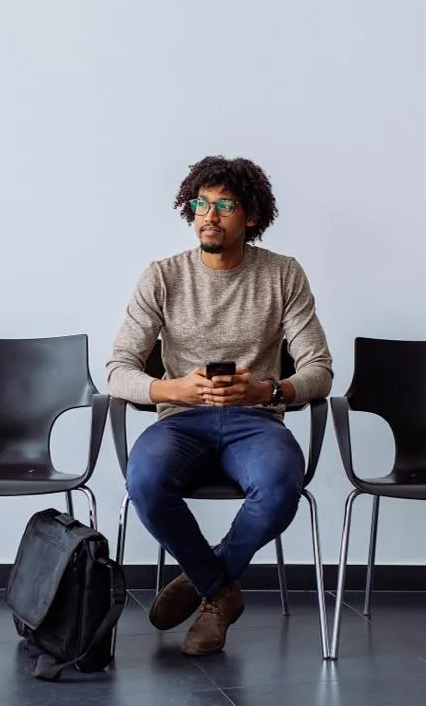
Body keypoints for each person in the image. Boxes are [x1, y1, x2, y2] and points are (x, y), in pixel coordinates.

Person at [105, 155, 333, 657]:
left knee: (279, 484)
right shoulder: (162, 277)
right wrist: (173, 390)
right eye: (200, 204)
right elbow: (117, 370)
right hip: (181, 421)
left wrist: (268, 391)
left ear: (250, 216)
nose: (209, 215)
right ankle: (220, 590)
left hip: (255, 421)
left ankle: (201, 582)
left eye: (224, 205)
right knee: (144, 480)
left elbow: (319, 369)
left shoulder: (282, 275)